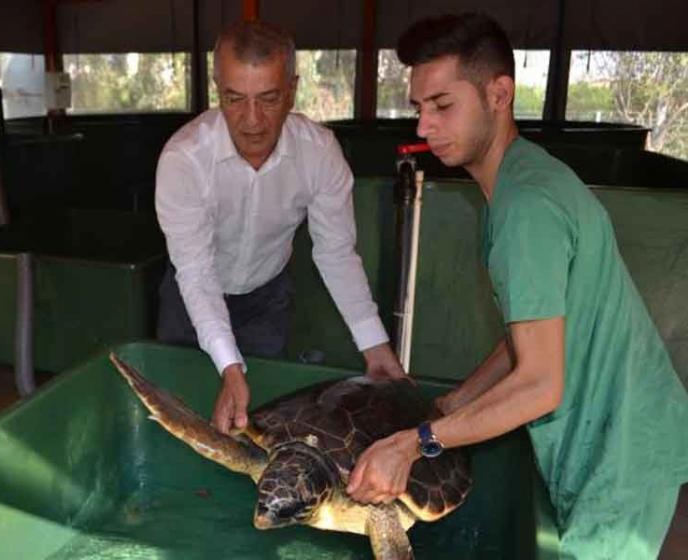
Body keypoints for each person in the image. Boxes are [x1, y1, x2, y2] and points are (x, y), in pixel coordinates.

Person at [345, 13, 688, 559]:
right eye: (418, 109)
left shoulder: (524, 211)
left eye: (442, 105)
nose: (423, 128)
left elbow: (539, 386)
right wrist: (455, 402)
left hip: (619, 467)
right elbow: (532, 335)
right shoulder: (529, 177)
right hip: (638, 440)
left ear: (499, 93)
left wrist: (415, 444)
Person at [155, 20, 406, 434]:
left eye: (269, 98)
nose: (251, 120)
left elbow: (335, 252)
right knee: (182, 415)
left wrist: (374, 345)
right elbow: (196, 272)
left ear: (292, 88)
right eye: (234, 99)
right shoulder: (184, 159)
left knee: (257, 427)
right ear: (218, 88)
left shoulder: (319, 153)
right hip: (189, 299)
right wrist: (229, 365)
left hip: (266, 299)